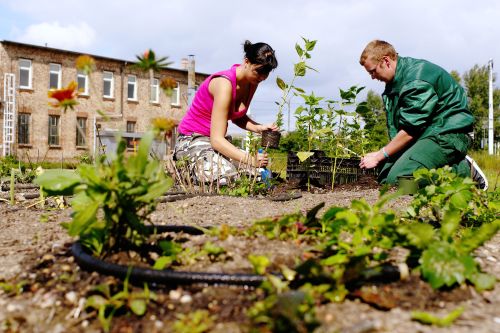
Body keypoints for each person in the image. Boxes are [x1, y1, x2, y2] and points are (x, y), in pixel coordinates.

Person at [358, 40, 488, 190]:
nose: (372, 77)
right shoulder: (395, 81)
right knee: (384, 175)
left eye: (373, 71)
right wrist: (381, 156)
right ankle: (447, 166)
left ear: (386, 61)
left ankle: (464, 172)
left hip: (450, 133)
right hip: (427, 133)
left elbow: (411, 129)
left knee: (399, 182)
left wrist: (379, 155)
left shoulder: (416, 81)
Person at [174, 41, 278, 184]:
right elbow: (216, 140)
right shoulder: (224, 84)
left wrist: (258, 128)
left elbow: (237, 116)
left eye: (266, 73)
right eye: (259, 71)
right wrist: (251, 160)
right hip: (193, 140)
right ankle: (184, 169)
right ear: (246, 62)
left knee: (259, 176)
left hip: (215, 143)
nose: (262, 77)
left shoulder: (251, 82)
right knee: (226, 178)